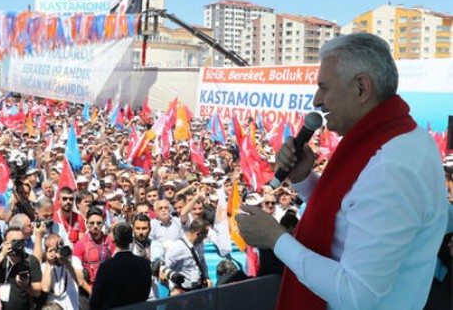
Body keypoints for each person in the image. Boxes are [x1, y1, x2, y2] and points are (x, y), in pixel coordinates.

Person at [236, 32, 448, 309]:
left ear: (361, 88)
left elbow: (357, 293)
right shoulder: (397, 140)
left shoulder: (392, 166)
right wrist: (303, 179)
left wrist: (276, 239)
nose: (316, 100)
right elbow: (351, 216)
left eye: (324, 87)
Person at [89, 223, 152, 310]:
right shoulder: (144, 264)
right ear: (131, 239)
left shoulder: (106, 267)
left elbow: (95, 299)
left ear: (114, 240)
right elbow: (145, 294)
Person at [0, 227, 41, 310]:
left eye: (20, 241)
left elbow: (37, 292)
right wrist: (2, 254)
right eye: (13, 241)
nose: (17, 245)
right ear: (5, 242)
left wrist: (25, 286)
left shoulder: (30, 260)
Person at [163, 218, 211, 294]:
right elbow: (165, 268)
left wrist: (206, 277)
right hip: (182, 292)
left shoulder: (200, 244)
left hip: (198, 289)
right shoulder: (178, 248)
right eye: (206, 234)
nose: (206, 237)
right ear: (199, 234)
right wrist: (172, 289)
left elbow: (202, 261)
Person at [40, 233, 86, 310]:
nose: (56, 252)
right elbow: (45, 288)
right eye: (52, 249)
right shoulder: (45, 266)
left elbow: (80, 281)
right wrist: (49, 263)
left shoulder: (74, 261)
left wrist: (67, 263)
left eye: (59, 247)